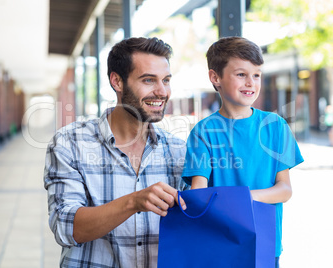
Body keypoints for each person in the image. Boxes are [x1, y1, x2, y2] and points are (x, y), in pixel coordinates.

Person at [44, 37, 188, 268]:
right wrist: (133, 202)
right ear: (117, 82)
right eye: (149, 80)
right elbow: (65, 227)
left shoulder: (179, 151)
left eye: (166, 80)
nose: (162, 91)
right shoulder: (70, 143)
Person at [181, 36, 304, 267]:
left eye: (256, 75)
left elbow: (285, 190)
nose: (251, 82)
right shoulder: (203, 132)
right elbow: (199, 194)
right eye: (241, 74)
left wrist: (241, 199)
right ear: (215, 77)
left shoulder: (275, 126)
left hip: (265, 243)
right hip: (219, 243)